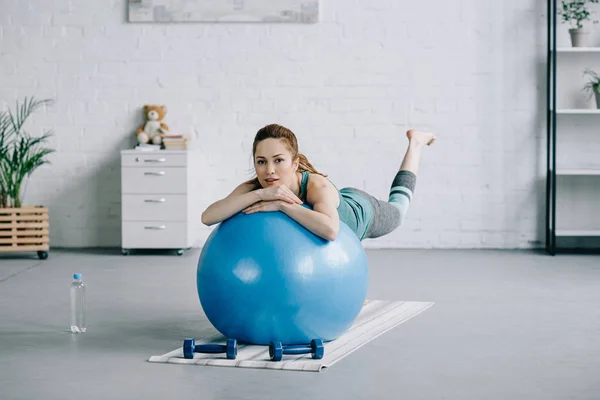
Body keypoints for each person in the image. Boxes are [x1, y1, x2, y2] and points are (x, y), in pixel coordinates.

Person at [201, 123, 436, 242]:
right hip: (334, 202)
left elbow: (332, 231)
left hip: (359, 212)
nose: (269, 171)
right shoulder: (255, 188)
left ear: (295, 163)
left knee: (398, 210)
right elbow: (208, 217)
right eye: (261, 161)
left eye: (278, 160)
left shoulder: (315, 186)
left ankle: (415, 144)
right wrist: (260, 195)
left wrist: (283, 205)